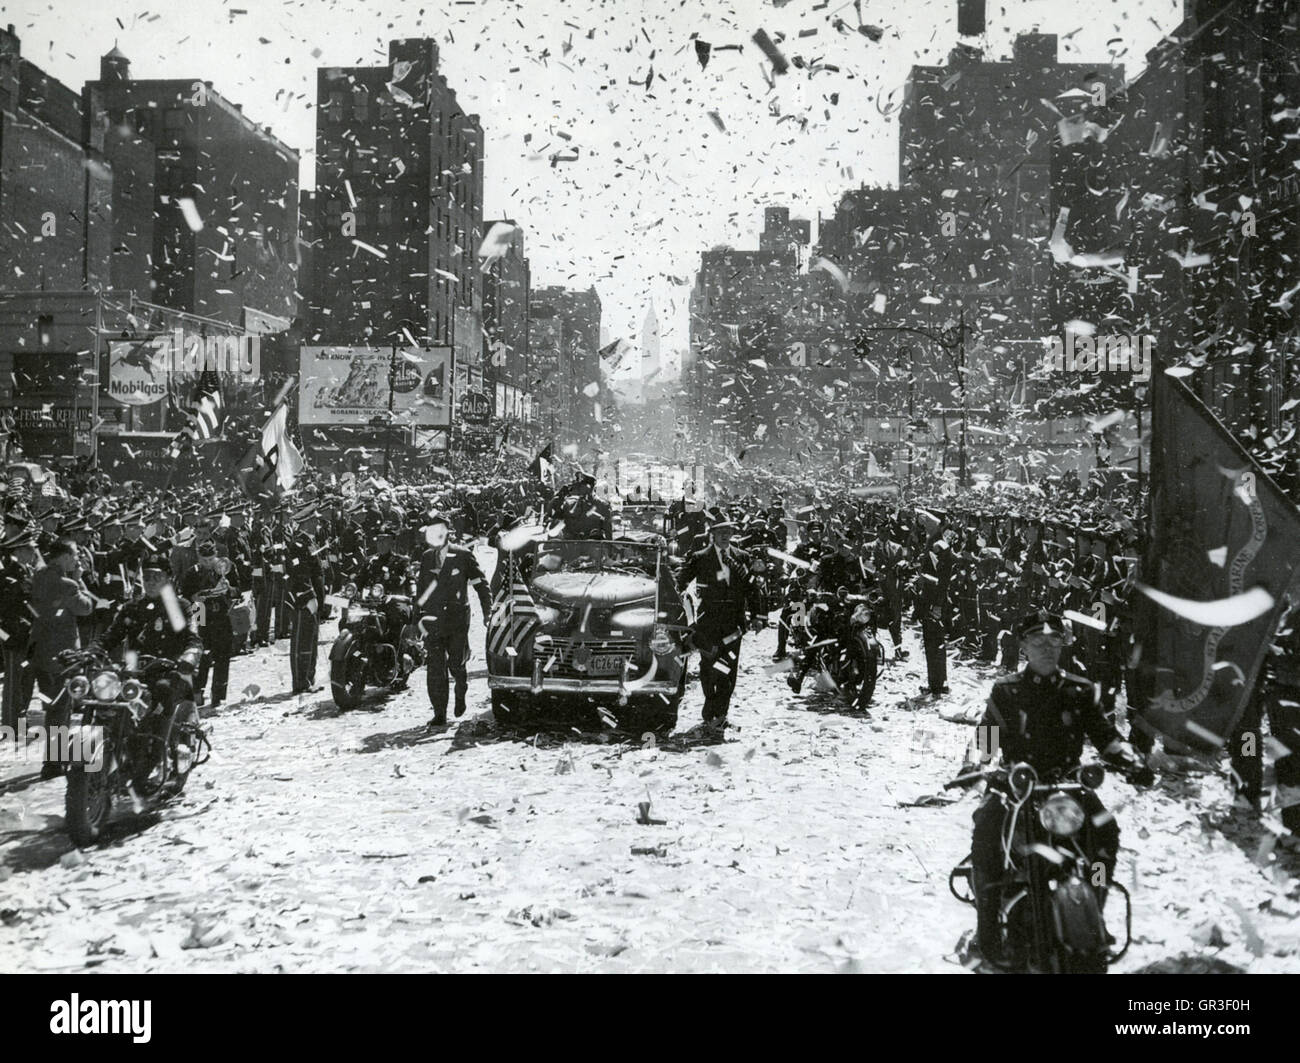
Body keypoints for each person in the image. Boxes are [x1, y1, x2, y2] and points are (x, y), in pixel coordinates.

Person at [954, 610, 1150, 964]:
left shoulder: (1080, 689)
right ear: (1024, 646)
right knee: (986, 833)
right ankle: (987, 930)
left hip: (1067, 789)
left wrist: (1131, 760)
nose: (1046, 648)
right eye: (1038, 642)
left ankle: (1095, 905)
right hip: (1018, 788)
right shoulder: (1007, 689)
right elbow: (987, 736)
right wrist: (975, 764)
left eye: (1054, 641)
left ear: (1064, 645)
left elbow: (1106, 737)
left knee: (1105, 835)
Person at [675, 512, 764, 739]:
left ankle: (719, 714)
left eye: (729, 532)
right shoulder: (700, 557)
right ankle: (710, 706)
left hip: (734, 623)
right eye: (720, 532)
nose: (725, 536)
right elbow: (681, 581)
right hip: (708, 622)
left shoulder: (742, 557)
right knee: (709, 667)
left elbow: (753, 589)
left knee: (729, 669)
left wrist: (757, 615)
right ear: (712, 535)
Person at [415, 513, 491, 727]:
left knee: (456, 663)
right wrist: (415, 620)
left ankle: (461, 687)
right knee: (435, 667)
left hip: (457, 619)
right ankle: (440, 713)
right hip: (433, 620)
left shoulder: (463, 555)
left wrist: (487, 610)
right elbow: (421, 591)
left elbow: (480, 584)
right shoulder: (427, 557)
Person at [30, 539, 96, 777]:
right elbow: (86, 607)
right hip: (64, 656)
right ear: (64, 557)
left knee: (51, 707)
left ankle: (54, 757)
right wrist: (79, 578)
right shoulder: (68, 584)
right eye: (75, 554)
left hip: (40, 652)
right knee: (61, 708)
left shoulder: (38, 576)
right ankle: (54, 763)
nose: (77, 559)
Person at [180, 541, 237, 707]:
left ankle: (218, 694)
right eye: (204, 560)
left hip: (222, 612)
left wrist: (229, 589)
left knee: (223, 653)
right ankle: (198, 690)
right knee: (202, 653)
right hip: (200, 611)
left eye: (211, 559)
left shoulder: (225, 568)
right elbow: (185, 596)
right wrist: (194, 597)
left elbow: (239, 589)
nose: (208, 564)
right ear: (199, 558)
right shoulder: (193, 573)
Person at [283, 503, 326, 694]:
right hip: (304, 599)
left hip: (314, 598)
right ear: (306, 522)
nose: (317, 521)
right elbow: (300, 574)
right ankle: (300, 682)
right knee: (301, 640)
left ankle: (309, 678)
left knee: (311, 639)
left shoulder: (310, 541)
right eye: (314, 519)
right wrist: (310, 596)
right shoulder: (297, 544)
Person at [0, 528, 39, 731]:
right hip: (14, 635)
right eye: (31, 549)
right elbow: (6, 612)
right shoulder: (8, 577)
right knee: (14, 681)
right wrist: (8, 636)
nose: (34, 553)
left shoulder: (28, 572)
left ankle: (20, 720)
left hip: (29, 634)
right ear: (20, 551)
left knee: (26, 679)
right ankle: (9, 723)